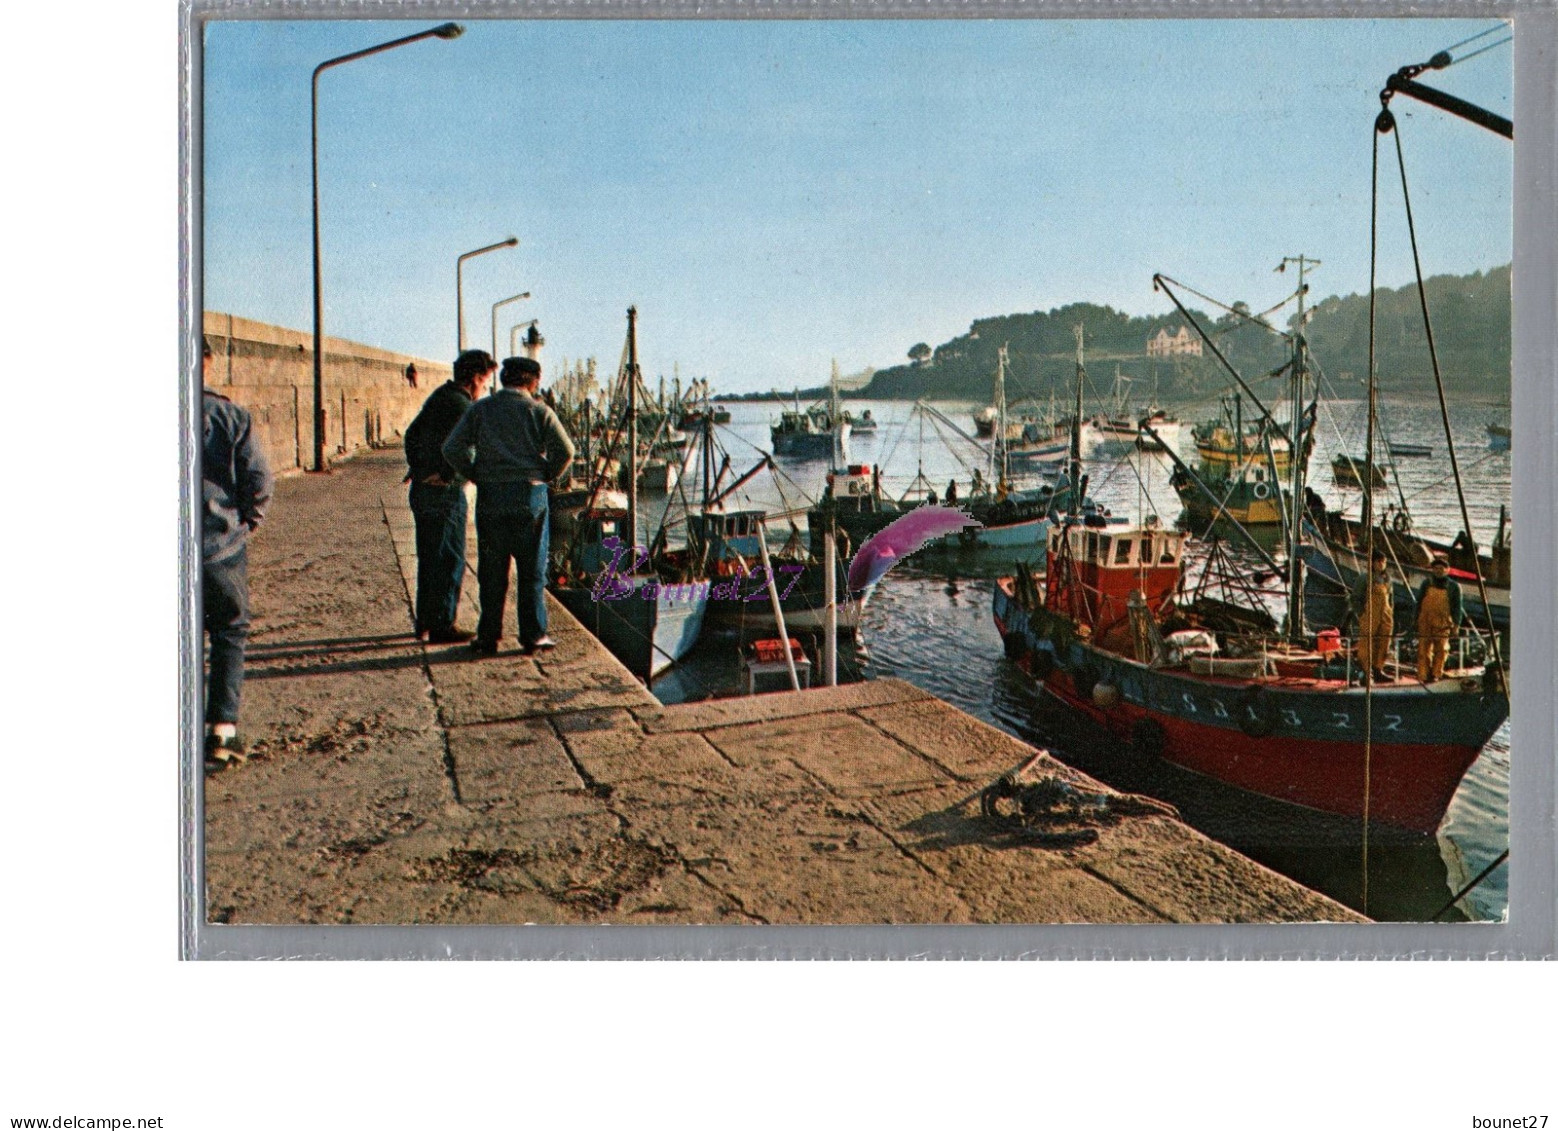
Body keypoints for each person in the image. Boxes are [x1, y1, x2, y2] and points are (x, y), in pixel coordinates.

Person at [443, 355, 575, 655]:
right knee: (531, 571)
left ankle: (488, 637)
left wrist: (475, 473)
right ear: (533, 381)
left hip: (491, 496)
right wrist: (547, 475)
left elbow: (452, 448)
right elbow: (566, 451)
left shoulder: (480, 409)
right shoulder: (538, 410)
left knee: (492, 571)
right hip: (529, 498)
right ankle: (533, 635)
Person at [202, 336, 274, 769]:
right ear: (206, 363)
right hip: (219, 545)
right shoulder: (231, 416)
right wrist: (247, 522)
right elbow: (259, 479)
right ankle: (222, 732)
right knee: (228, 632)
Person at [403, 349, 496, 643]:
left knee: (430, 557)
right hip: (444, 494)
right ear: (476, 378)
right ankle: (442, 625)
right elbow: (462, 449)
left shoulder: (440, 397)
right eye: (485, 381)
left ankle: (426, 622)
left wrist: (418, 467)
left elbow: (411, 434)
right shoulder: (463, 407)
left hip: (423, 490)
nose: (484, 388)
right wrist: (450, 474)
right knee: (449, 558)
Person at [1414, 555, 1464, 682]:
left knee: (1441, 650)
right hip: (1425, 622)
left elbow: (1457, 607)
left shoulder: (1454, 587)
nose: (1438, 571)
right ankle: (1423, 675)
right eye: (1436, 568)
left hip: (1443, 623)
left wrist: (1456, 625)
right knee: (1423, 650)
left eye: (1442, 568)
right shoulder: (1426, 583)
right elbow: (1418, 602)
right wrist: (1414, 619)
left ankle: (1436, 673)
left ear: (1447, 570)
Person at [1354, 548, 1394, 683]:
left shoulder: (1387, 579)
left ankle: (1378, 669)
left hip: (1386, 615)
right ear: (1372, 563)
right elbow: (1356, 599)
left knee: (1384, 642)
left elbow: (1391, 598)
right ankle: (1366, 672)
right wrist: (1362, 614)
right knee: (1367, 643)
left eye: (1384, 562)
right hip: (1370, 614)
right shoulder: (1364, 578)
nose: (1381, 564)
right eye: (1378, 562)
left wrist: (1391, 612)